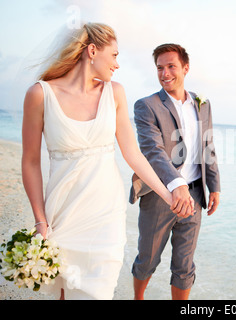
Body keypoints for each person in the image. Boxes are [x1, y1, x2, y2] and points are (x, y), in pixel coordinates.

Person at [21, 23, 188, 300]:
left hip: (106, 215)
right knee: (67, 292)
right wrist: (40, 221)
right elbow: (29, 162)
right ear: (92, 51)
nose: (118, 65)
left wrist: (169, 194)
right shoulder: (40, 94)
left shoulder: (115, 93)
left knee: (98, 293)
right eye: (114, 56)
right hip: (62, 212)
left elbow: (133, 154)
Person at [130, 43, 221, 300]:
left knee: (184, 264)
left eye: (171, 66)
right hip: (159, 194)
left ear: (185, 68)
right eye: (160, 68)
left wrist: (214, 186)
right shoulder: (146, 106)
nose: (165, 73)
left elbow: (208, 145)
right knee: (148, 258)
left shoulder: (202, 104)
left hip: (194, 196)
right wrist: (176, 184)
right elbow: (153, 151)